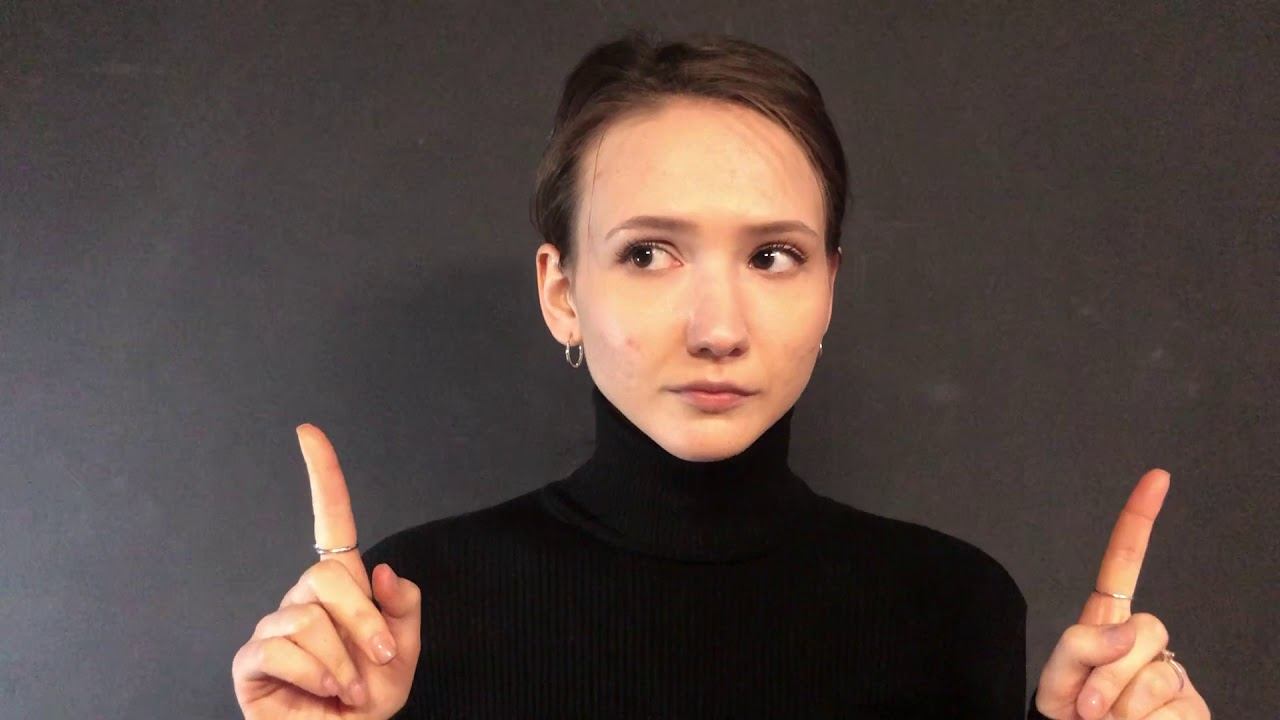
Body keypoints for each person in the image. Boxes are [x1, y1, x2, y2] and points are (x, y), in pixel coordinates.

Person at [231, 31, 1212, 719]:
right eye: (648, 253)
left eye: (772, 256)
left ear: (828, 287)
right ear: (562, 291)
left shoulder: (954, 606)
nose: (717, 329)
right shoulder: (401, 613)